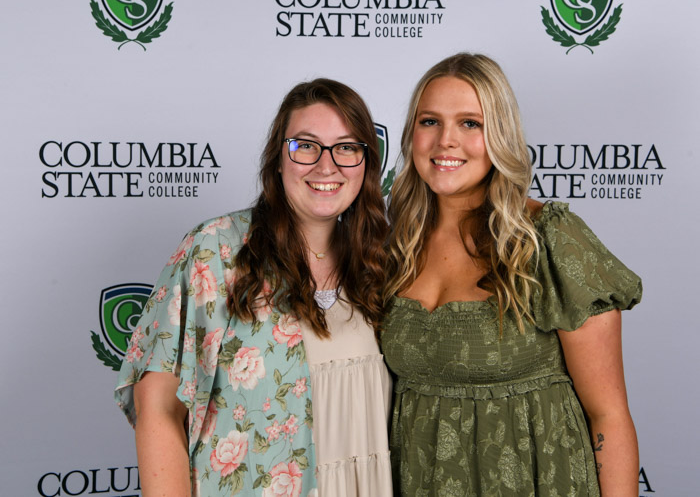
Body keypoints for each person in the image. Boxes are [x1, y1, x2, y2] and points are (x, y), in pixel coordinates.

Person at [115, 78, 393, 496]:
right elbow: (157, 407)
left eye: (347, 148)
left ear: (366, 164)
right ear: (278, 159)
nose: (326, 166)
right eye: (306, 145)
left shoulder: (383, 264)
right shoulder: (217, 251)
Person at [381, 53, 642, 496]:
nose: (446, 141)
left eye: (470, 123)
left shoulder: (548, 237)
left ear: (499, 133)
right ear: (411, 135)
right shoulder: (396, 244)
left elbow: (609, 416)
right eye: (430, 122)